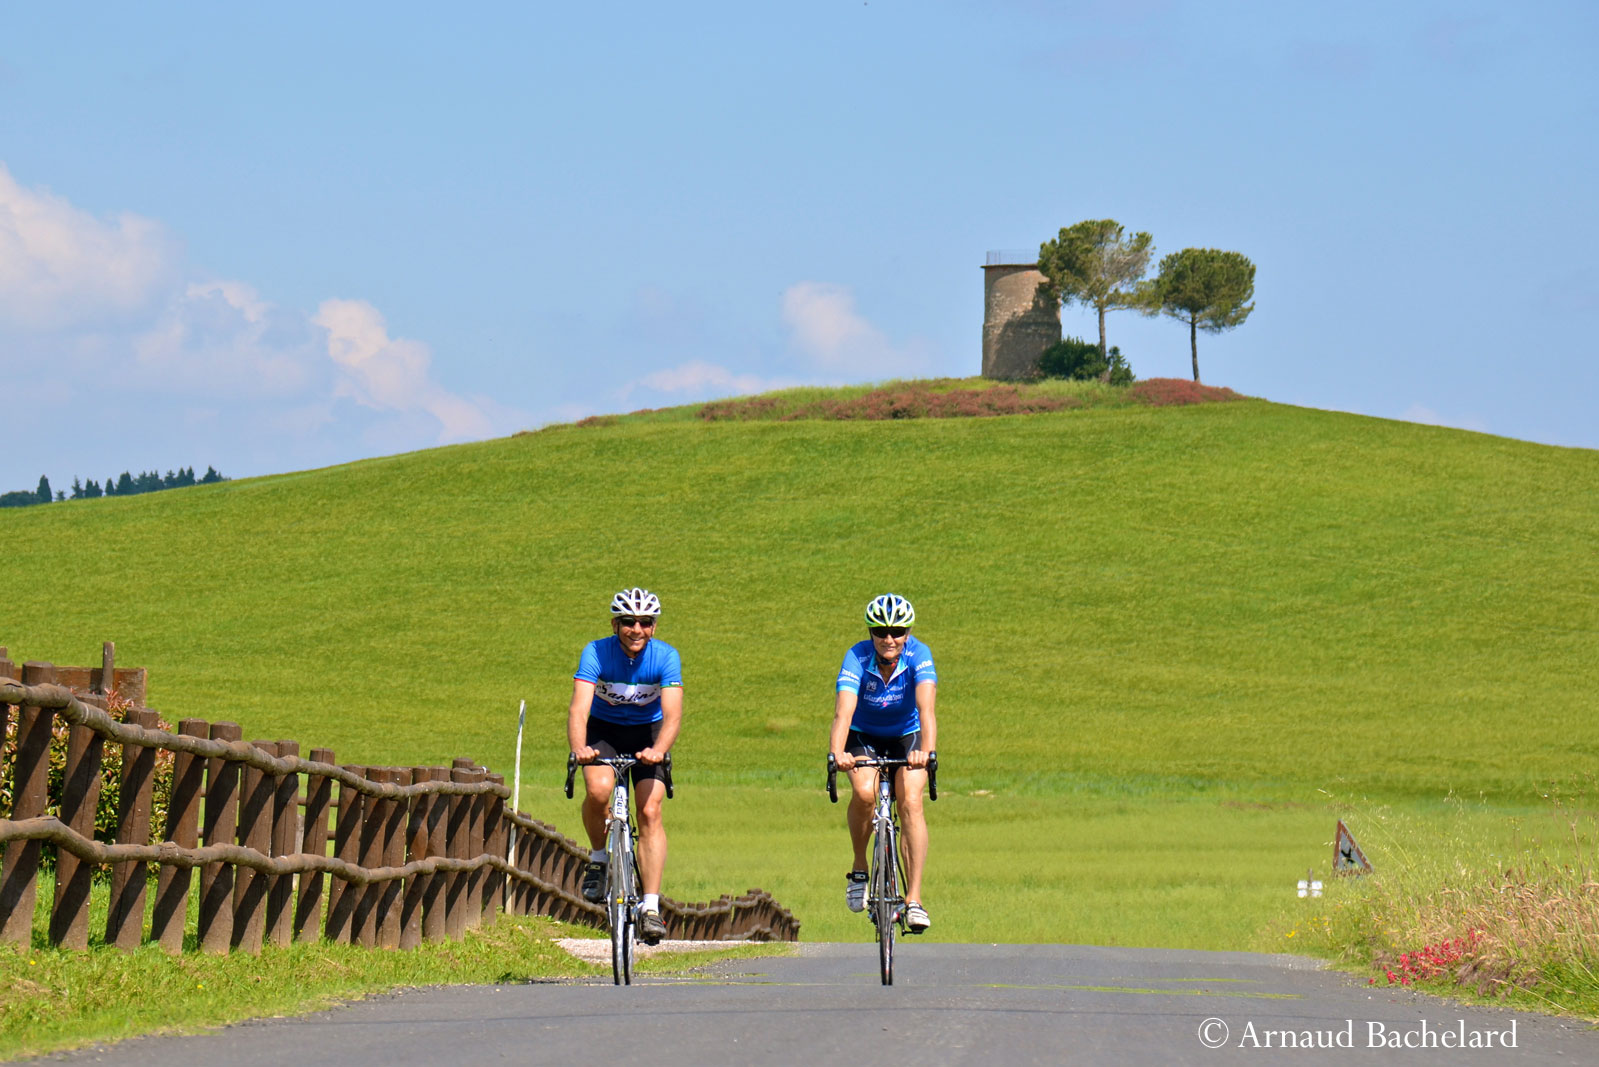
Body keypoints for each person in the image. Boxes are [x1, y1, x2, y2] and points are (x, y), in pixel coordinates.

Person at [568, 587, 682, 944]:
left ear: (654, 627)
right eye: (629, 622)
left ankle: (650, 906)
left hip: (649, 735)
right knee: (598, 790)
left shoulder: (666, 657)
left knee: (649, 810)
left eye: (645, 623)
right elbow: (578, 709)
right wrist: (580, 748)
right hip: (605, 731)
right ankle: (599, 858)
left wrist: (659, 750)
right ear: (615, 624)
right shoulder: (596, 652)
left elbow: (674, 715)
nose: (637, 629)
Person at [828, 593, 938, 932]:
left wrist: (927, 753)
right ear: (871, 632)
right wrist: (838, 753)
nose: (888, 639)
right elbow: (843, 712)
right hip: (864, 735)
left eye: (896, 631)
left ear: (907, 633)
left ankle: (914, 899)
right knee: (863, 794)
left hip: (908, 735)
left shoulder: (919, 655)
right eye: (880, 631)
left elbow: (926, 711)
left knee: (911, 803)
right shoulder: (857, 657)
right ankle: (860, 868)